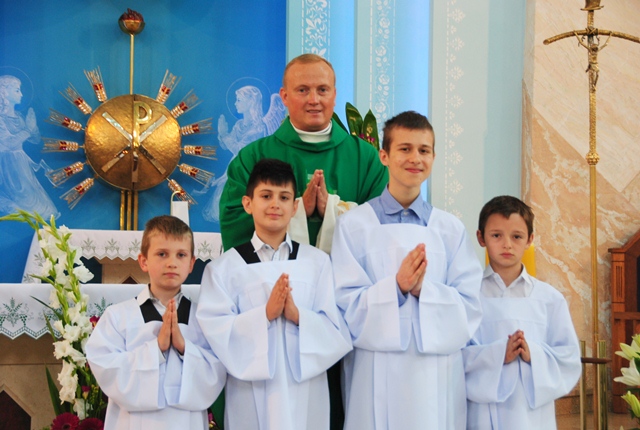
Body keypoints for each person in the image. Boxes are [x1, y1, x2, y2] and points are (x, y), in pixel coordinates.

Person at [331, 111, 483, 429]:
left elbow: (470, 306)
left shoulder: (450, 229)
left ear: (433, 158)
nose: (415, 158)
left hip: (437, 374)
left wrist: (424, 289)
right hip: (374, 371)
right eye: (405, 149)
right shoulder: (354, 226)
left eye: (424, 150)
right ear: (384, 156)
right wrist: (396, 288)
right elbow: (344, 306)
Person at [197, 158, 352, 430]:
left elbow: (337, 330)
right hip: (251, 394)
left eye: (284, 197)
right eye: (266, 196)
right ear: (248, 204)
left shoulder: (317, 263)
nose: (275, 204)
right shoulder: (224, 269)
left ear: (295, 207)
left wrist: (298, 316)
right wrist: (265, 316)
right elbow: (216, 334)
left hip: (305, 393)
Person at [219, 53, 388, 254]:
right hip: (273, 274)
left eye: (322, 90)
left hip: (348, 275)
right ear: (284, 97)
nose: (314, 100)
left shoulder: (366, 158)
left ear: (334, 95)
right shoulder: (252, 158)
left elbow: (383, 226)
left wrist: (331, 210)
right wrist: (296, 211)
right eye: (303, 90)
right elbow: (234, 223)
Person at [86, 215, 226, 430]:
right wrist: (157, 348)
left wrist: (184, 347)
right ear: (143, 261)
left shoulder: (202, 317)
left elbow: (217, 372)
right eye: (162, 254)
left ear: (191, 264)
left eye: (181, 255)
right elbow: (107, 370)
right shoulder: (118, 317)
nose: (171, 263)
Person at [463, 195, 581, 429]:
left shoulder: (549, 299)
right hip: (482, 413)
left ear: (530, 239)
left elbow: (568, 359)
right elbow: (455, 357)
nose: (507, 244)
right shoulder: (467, 295)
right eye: (496, 235)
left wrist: (532, 353)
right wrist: (499, 354)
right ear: (481, 238)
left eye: (516, 236)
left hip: (532, 414)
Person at [201, 85, 286, 223]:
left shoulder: (258, 128)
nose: (235, 103)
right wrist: (222, 133)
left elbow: (240, 150)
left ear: (250, 102)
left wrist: (224, 135)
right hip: (234, 168)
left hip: (249, 172)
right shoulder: (239, 124)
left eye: (239, 100)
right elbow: (226, 146)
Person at [0, 75, 58, 218]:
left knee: (46, 209)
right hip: (8, 166)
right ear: (4, 93)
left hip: (22, 165)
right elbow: (9, 143)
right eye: (17, 90)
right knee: (28, 207)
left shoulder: (19, 116)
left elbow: (35, 140)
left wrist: (33, 127)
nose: (21, 94)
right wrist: (28, 129)